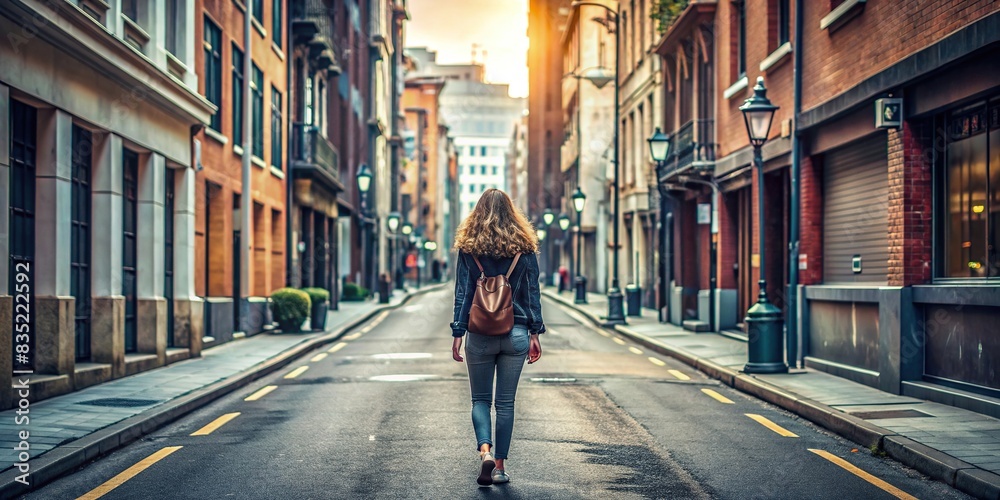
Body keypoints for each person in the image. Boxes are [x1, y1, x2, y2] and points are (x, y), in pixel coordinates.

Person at [450, 189, 544, 487]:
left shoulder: (468, 249)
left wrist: (457, 332)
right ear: (512, 214)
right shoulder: (524, 248)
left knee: (480, 399)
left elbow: (463, 294)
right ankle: (500, 468)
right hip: (515, 332)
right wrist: (535, 332)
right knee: (505, 404)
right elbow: (532, 295)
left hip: (478, 333)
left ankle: (485, 452)